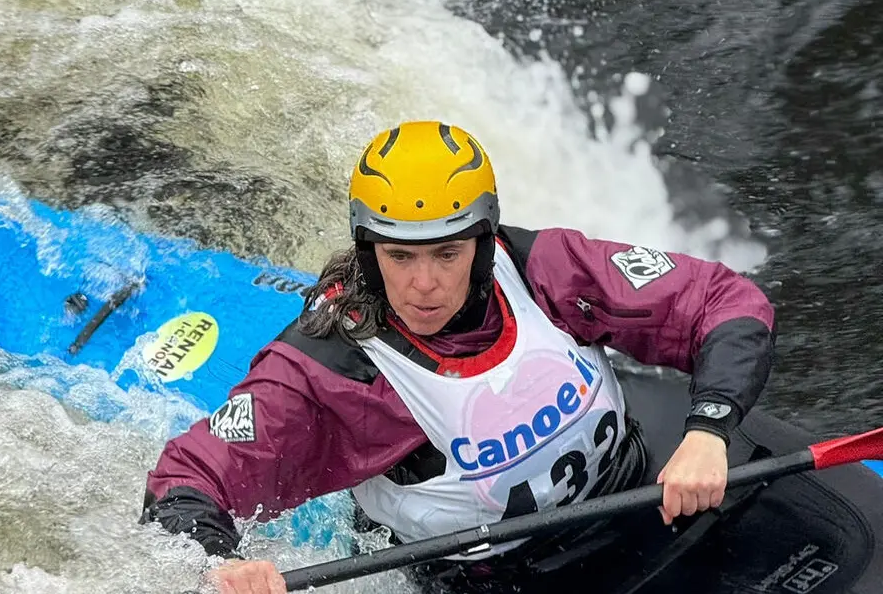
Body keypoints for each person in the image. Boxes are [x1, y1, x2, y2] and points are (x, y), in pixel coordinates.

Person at [139, 120, 776, 594]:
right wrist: (220, 564)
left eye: (447, 254)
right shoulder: (331, 371)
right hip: (493, 580)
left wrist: (709, 429)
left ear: (484, 240)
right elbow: (183, 481)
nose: (424, 285)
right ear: (367, 251)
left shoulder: (545, 268)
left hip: (642, 493)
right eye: (399, 256)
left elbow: (723, 301)